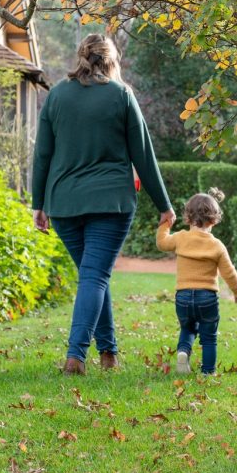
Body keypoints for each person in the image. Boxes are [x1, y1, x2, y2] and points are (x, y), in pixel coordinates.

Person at [31, 34, 174, 375]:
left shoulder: (56, 96)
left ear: (80, 57)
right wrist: (164, 204)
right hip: (111, 201)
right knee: (94, 277)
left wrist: (39, 203)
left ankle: (109, 353)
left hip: (63, 203)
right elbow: (143, 154)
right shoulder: (121, 95)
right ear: (112, 60)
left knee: (93, 275)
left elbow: (42, 155)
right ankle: (75, 357)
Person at [156, 188, 237, 375]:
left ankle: (183, 352)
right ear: (214, 220)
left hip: (183, 296)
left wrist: (165, 224)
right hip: (207, 297)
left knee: (187, 328)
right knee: (209, 337)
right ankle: (208, 371)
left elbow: (162, 243)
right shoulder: (216, 245)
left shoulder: (180, 238)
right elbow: (230, 273)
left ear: (187, 218)